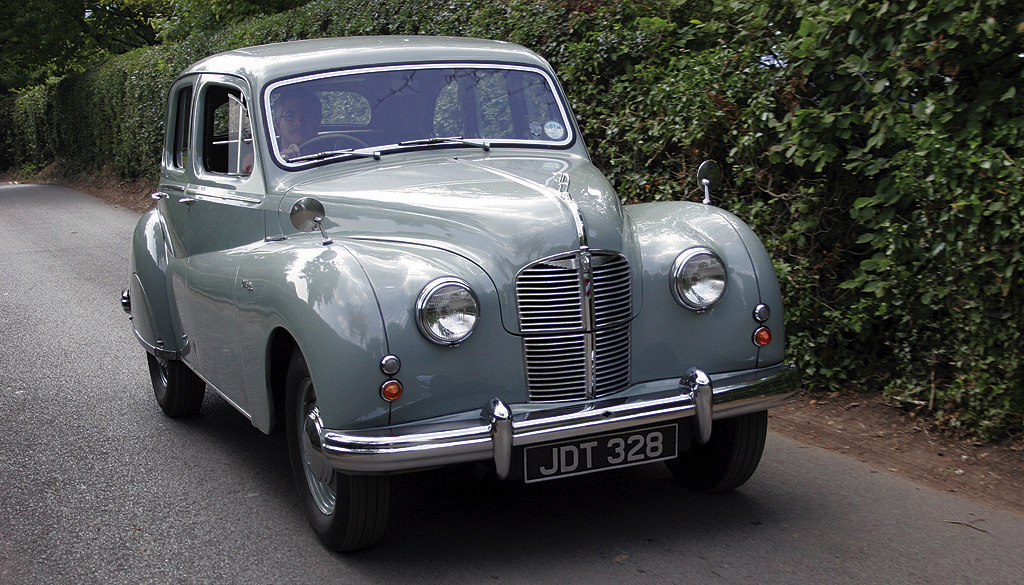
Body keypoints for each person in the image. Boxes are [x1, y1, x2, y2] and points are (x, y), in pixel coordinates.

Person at [272, 87, 322, 160]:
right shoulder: (264, 160)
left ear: (317, 122)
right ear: (278, 125)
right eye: (290, 116)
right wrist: (281, 158)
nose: (299, 122)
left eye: (307, 116)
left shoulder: (334, 154)